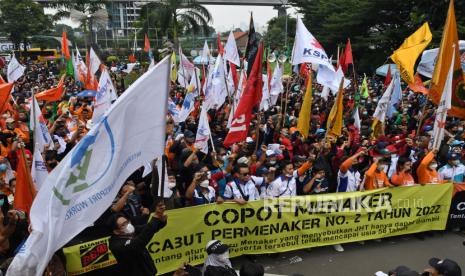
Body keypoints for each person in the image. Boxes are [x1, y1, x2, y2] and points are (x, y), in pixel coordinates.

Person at [108, 199, 168, 276]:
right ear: (116, 231)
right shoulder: (116, 245)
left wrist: (161, 221)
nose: (128, 225)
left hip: (148, 271)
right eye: (123, 225)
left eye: (127, 222)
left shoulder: (132, 230)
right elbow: (139, 242)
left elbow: (147, 228)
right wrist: (155, 217)